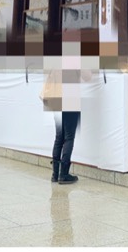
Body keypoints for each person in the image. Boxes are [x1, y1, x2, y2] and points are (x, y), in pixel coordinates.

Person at [41, 34, 95, 184]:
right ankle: (64, 174)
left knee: (59, 137)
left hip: (55, 102)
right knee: (69, 137)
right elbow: (88, 76)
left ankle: (55, 174)